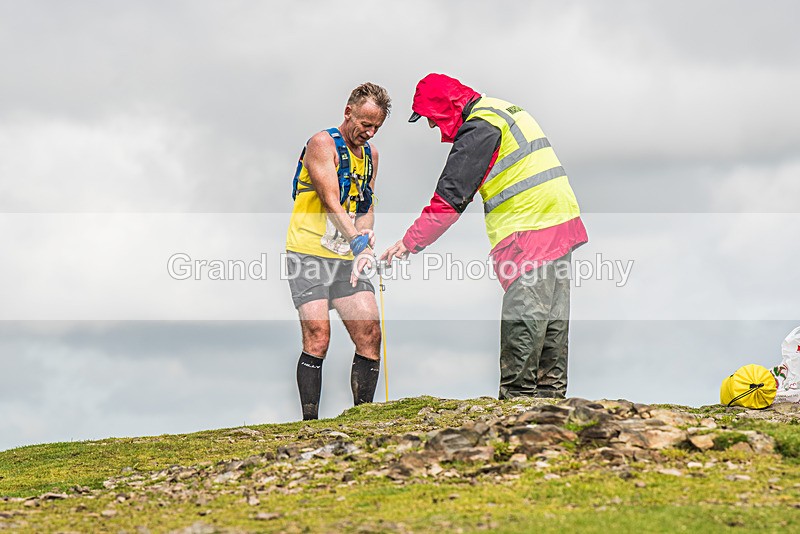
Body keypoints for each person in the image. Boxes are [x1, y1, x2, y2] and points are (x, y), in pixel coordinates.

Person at [381, 73, 588, 400]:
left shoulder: (480, 127)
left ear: (445, 107)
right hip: (559, 219)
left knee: (524, 318)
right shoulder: (502, 109)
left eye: (431, 119)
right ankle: (551, 404)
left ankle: (516, 404)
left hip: (528, 227)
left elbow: (450, 198)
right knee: (551, 321)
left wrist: (409, 242)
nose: (433, 128)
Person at [286, 82, 391, 419]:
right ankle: (309, 426)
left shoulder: (372, 155)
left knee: (370, 332)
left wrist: (365, 235)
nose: (370, 133)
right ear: (348, 113)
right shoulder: (322, 144)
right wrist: (359, 243)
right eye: (365, 124)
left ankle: (363, 418)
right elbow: (331, 202)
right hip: (308, 254)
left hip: (346, 258)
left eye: (376, 127)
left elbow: (365, 206)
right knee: (318, 337)